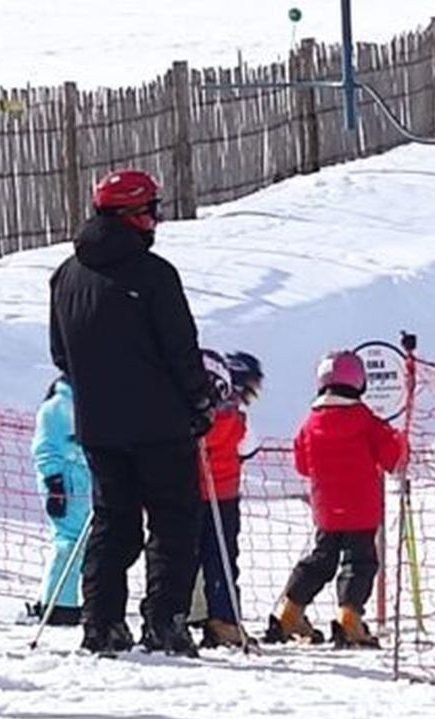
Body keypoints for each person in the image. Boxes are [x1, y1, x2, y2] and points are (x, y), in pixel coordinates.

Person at [49, 169, 213, 657]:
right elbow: (181, 349)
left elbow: (61, 354)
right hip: (161, 423)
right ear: (132, 215)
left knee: (111, 521)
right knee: (172, 522)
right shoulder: (154, 274)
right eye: (152, 211)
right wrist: (199, 401)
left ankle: (101, 623)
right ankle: (165, 621)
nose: (156, 221)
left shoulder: (66, 276)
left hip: (99, 425)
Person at [264, 351, 406, 648]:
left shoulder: (310, 421)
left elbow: (302, 465)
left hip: (326, 509)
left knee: (320, 559)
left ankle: (290, 612)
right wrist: (399, 437)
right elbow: (392, 457)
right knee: (359, 562)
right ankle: (349, 619)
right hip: (362, 508)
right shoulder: (365, 420)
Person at [196, 349, 263, 649]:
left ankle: (183, 614)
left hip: (188, 493)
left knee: (187, 558)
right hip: (222, 494)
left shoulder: (194, 413)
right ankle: (223, 618)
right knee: (222, 558)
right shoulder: (236, 418)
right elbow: (248, 447)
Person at [28, 376, 92, 626]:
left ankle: (58, 600)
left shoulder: (83, 401)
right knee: (68, 541)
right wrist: (55, 483)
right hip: (66, 483)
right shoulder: (57, 406)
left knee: (80, 542)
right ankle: (59, 606)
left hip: (82, 482)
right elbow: (45, 448)